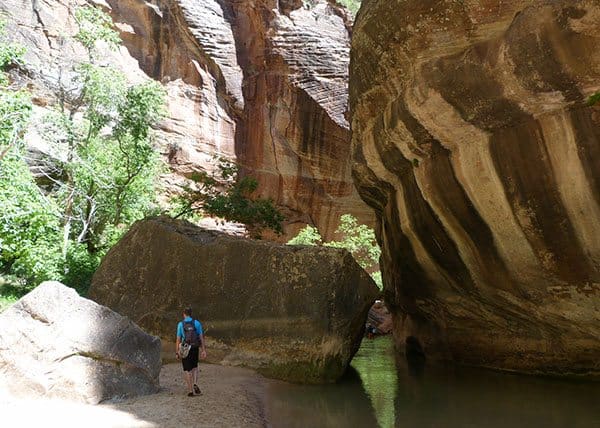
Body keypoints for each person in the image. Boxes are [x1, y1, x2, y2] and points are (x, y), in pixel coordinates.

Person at [176, 307, 207, 396]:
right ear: (191, 314)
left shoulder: (180, 324)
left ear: (184, 314)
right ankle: (195, 383)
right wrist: (203, 350)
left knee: (187, 369)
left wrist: (177, 352)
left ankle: (190, 391)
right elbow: (201, 337)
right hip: (194, 348)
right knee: (195, 367)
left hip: (185, 348)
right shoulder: (197, 323)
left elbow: (178, 339)